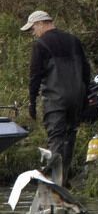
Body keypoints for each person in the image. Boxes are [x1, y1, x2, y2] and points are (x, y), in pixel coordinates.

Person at [22, 10, 91, 180]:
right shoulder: (74, 40)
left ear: (41, 24)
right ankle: (63, 178)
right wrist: (85, 97)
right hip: (76, 98)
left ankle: (54, 183)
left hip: (55, 99)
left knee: (56, 139)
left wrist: (32, 102)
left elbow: (35, 76)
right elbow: (86, 70)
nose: (33, 33)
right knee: (70, 137)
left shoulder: (40, 45)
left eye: (33, 29)